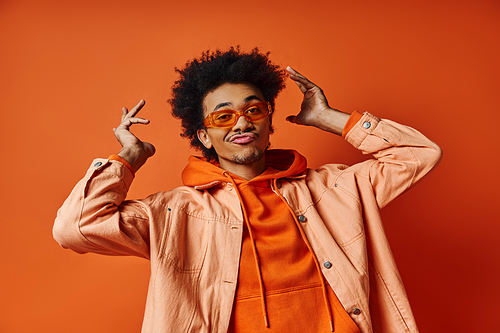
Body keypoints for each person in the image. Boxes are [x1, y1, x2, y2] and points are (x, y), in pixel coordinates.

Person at [53, 47, 442, 333]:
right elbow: (76, 228)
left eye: (254, 110)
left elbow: (420, 153)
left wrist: (327, 117)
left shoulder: (335, 188)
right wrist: (128, 158)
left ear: (270, 123)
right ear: (204, 135)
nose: (241, 123)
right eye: (224, 116)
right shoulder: (174, 213)